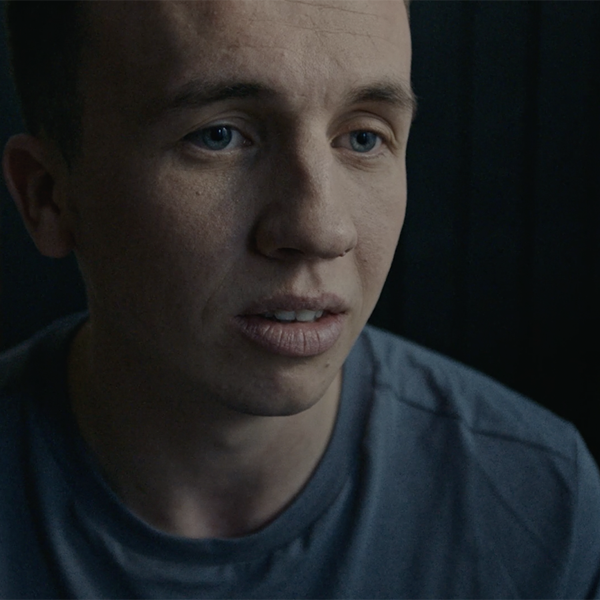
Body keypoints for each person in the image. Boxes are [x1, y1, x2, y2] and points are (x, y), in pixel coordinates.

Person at [1, 0, 599, 597]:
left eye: (363, 136)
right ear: (49, 196)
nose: (321, 229)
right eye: (219, 136)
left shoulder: (540, 506)